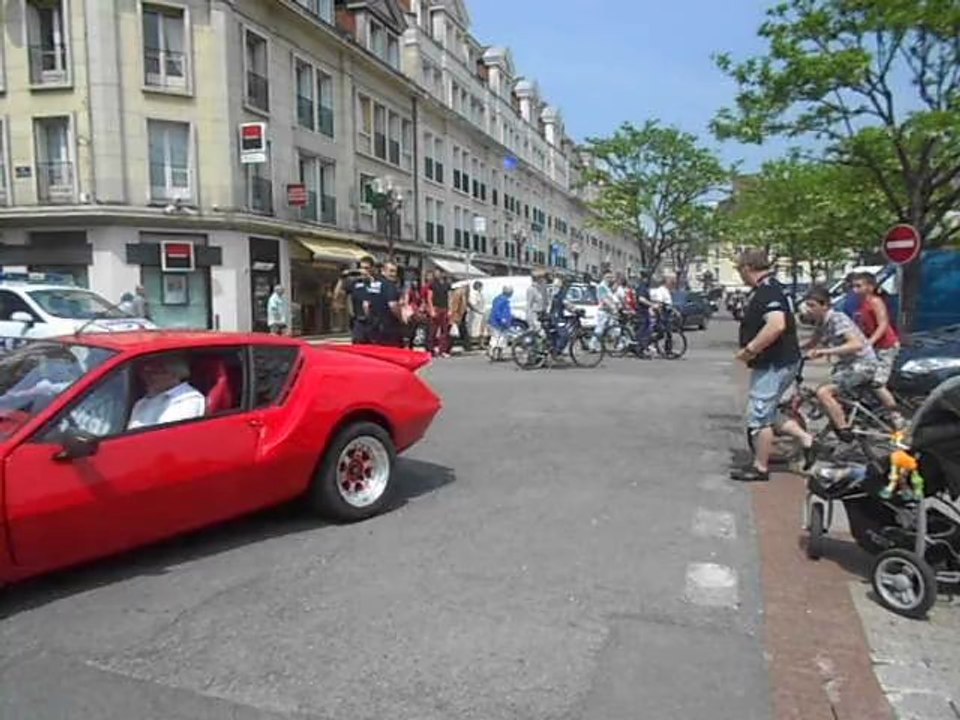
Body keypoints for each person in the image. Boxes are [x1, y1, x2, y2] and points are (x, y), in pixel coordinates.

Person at [734, 249, 811, 482]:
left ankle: (760, 467)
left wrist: (750, 350)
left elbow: (776, 325)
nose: (740, 275)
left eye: (740, 270)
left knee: (759, 417)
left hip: (773, 363)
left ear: (748, 268)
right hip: (782, 361)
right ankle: (808, 441)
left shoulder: (767, 291)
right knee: (770, 410)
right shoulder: (776, 287)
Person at [803, 285, 880, 441]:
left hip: (862, 365)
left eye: (812, 305)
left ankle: (844, 431)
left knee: (824, 392)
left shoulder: (837, 318)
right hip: (848, 365)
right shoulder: (822, 322)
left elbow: (856, 344)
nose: (808, 309)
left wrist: (825, 352)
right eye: (807, 305)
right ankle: (837, 426)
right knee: (830, 397)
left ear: (825, 305)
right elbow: (812, 343)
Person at [852, 272, 903, 426]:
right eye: (853, 286)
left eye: (858, 286)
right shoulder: (861, 304)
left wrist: (870, 342)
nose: (854, 289)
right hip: (875, 347)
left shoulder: (875, 301)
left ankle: (897, 416)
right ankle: (874, 408)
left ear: (870, 287)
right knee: (860, 375)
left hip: (886, 346)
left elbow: (883, 324)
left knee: (877, 383)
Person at [128, 355, 205, 429]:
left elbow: (167, 436)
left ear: (174, 374)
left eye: (155, 372)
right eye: (146, 373)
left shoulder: (189, 400)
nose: (147, 377)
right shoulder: (143, 401)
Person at [335, 256, 375, 344]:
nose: (363, 271)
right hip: (358, 322)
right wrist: (341, 279)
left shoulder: (377, 282)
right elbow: (338, 294)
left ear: (372, 269)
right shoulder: (355, 283)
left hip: (374, 323)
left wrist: (370, 279)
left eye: (366, 268)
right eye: (361, 268)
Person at [371, 262, 403, 347]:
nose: (394, 274)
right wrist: (401, 318)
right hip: (388, 327)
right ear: (383, 271)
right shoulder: (390, 285)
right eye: (391, 271)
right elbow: (393, 305)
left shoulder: (374, 284)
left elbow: (365, 304)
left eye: (395, 271)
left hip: (373, 326)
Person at [427, 271, 452, 357]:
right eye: (436, 273)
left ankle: (443, 350)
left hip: (444, 308)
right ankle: (431, 350)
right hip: (436, 308)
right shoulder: (432, 284)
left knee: (444, 331)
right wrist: (431, 310)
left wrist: (450, 310)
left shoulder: (447, 285)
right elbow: (429, 298)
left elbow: (449, 297)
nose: (437, 275)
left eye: (439, 273)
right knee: (432, 330)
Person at [487, 286, 514, 361]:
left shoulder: (499, 299)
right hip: (498, 323)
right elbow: (497, 311)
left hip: (498, 322)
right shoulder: (502, 300)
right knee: (498, 338)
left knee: (501, 339)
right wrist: (502, 319)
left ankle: (498, 355)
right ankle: (493, 353)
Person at [594, 271, 619, 348]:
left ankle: (616, 344)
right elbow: (605, 299)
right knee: (600, 329)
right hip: (603, 311)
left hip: (609, 312)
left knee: (614, 328)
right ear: (603, 277)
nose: (609, 279)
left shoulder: (607, 287)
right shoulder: (602, 287)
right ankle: (593, 345)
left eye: (610, 277)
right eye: (607, 277)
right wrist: (613, 307)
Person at [449, 283, 470, 351]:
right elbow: (459, 306)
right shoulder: (461, 294)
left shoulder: (459, 294)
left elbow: (457, 305)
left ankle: (451, 345)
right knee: (460, 330)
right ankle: (466, 346)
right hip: (459, 314)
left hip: (459, 314)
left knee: (456, 330)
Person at [467, 281, 487, 349]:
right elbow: (472, 304)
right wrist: (478, 311)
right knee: (474, 330)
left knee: (482, 330)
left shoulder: (480, 294)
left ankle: (481, 344)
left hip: (481, 313)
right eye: (481, 286)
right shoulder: (473, 294)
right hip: (476, 314)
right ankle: (470, 344)